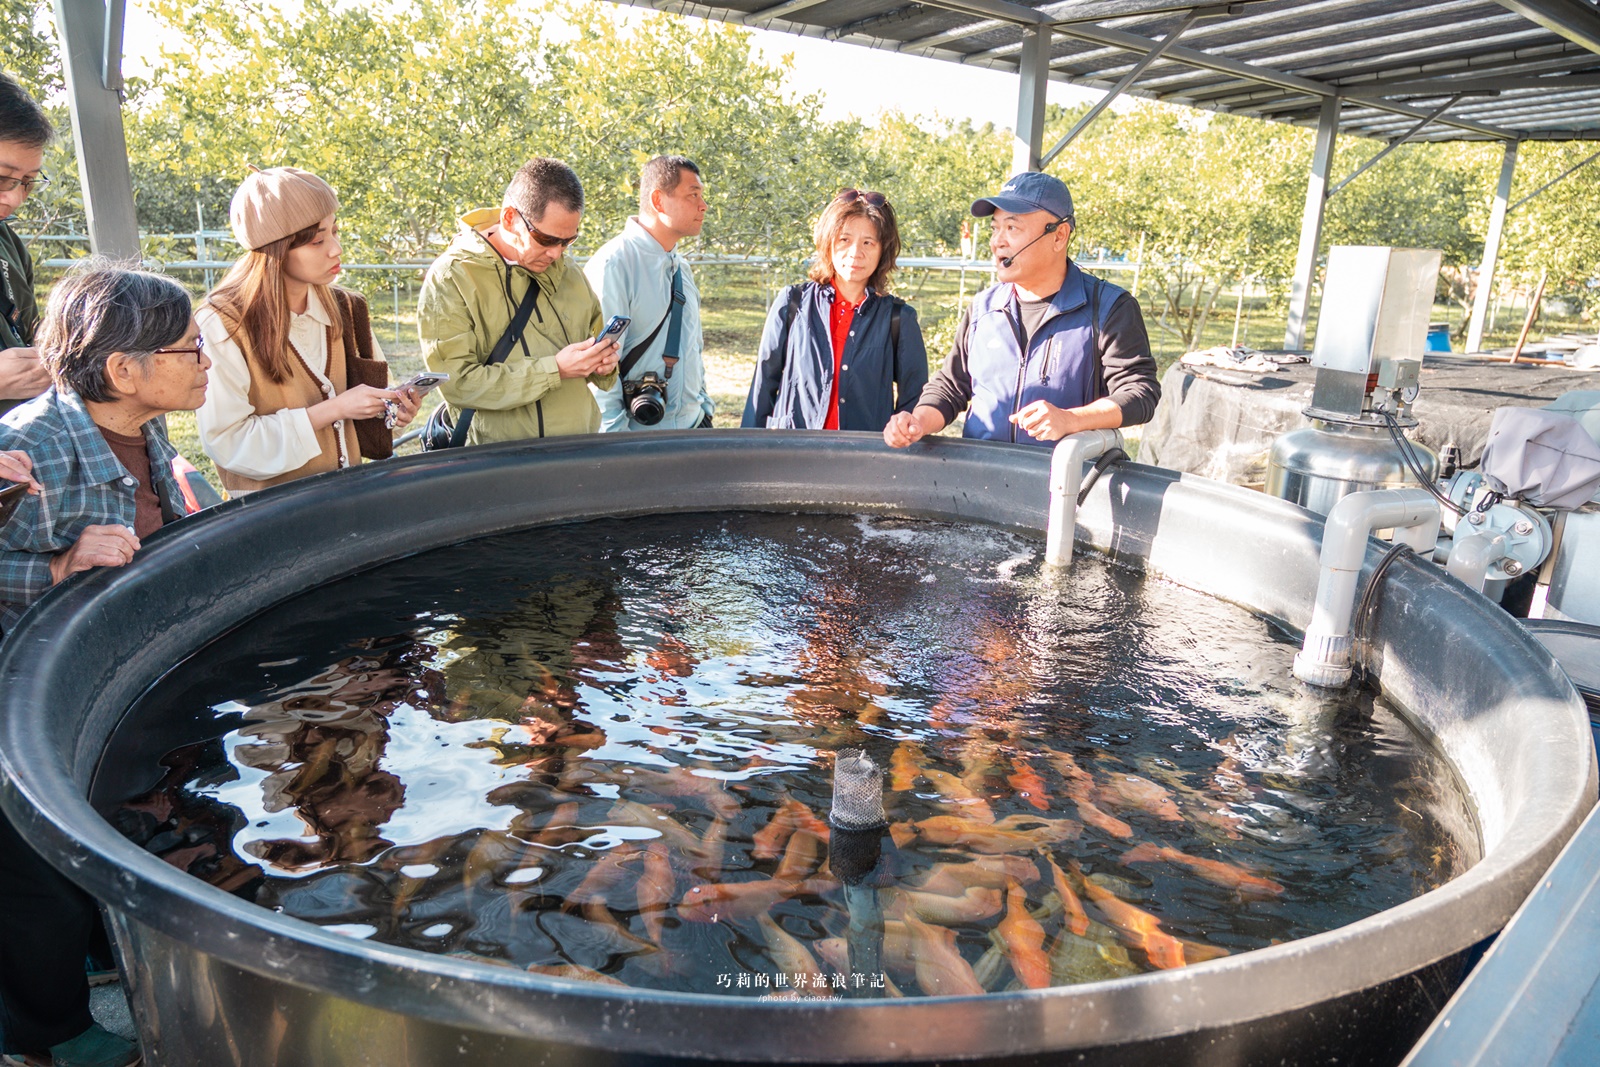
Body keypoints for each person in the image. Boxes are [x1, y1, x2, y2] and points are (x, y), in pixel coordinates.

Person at [0, 260, 208, 1067]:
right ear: (125, 369)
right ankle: (41, 1035)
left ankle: (94, 958)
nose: (205, 363)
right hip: (27, 711)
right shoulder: (27, 448)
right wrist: (55, 570)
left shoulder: (140, 429)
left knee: (90, 849)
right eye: (191, 350)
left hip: (104, 683)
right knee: (30, 879)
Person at [883, 172, 1159, 449]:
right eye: (995, 228)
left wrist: (1070, 420)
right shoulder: (983, 308)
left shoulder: (1109, 308)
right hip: (980, 481)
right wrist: (917, 421)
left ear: (1059, 236)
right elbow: (951, 386)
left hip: (1069, 482)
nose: (997, 242)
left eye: (1012, 228)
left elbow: (1140, 393)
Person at [195, 167, 419, 495]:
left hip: (349, 506)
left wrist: (394, 411)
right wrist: (335, 409)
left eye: (335, 232)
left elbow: (368, 418)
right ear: (276, 250)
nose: (335, 249)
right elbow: (229, 444)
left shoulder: (347, 308)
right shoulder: (224, 324)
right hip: (269, 519)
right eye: (318, 240)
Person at [418, 157, 619, 444]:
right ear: (510, 219)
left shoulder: (570, 272)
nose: (557, 254)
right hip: (502, 465)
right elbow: (458, 385)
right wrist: (556, 369)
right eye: (547, 240)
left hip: (580, 453)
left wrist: (604, 364)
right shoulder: (452, 277)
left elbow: (597, 357)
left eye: (568, 241)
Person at [743, 189, 927, 432]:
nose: (855, 253)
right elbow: (763, 386)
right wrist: (747, 449)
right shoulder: (792, 303)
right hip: (792, 453)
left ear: (883, 249)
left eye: (868, 242)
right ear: (828, 242)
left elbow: (912, 404)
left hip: (863, 459)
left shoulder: (899, 319)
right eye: (844, 240)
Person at [585, 156, 715, 431]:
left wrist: (704, 410)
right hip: (640, 443)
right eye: (693, 195)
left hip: (694, 430)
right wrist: (617, 447)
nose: (703, 206)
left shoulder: (682, 268)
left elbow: (694, 347)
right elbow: (598, 368)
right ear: (658, 201)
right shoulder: (614, 265)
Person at [0, 73, 54, 417]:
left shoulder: (10, 246)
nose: (16, 198)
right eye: (4, 177)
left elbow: (33, 335)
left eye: (28, 183)